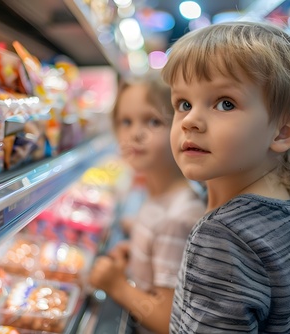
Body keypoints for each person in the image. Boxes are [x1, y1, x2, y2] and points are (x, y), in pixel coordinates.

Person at [161, 21, 290, 334]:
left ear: (284, 131)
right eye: (183, 104)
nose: (191, 121)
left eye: (225, 103)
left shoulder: (222, 237)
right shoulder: (286, 208)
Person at [88, 75, 206, 333]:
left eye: (153, 121)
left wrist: (117, 285)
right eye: (125, 122)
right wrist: (139, 248)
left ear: (181, 127)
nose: (135, 134)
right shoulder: (161, 194)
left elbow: (168, 322)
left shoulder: (176, 217)